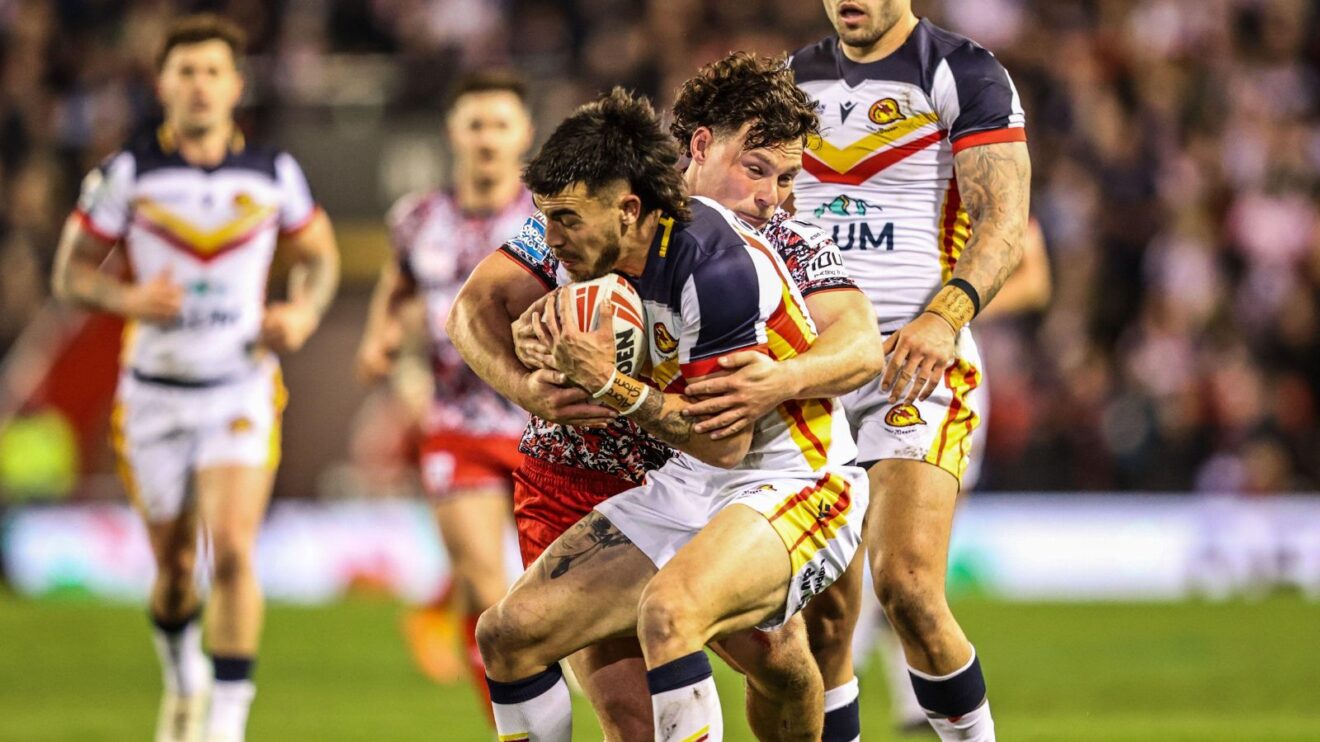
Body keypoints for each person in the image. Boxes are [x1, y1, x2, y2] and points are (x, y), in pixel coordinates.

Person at [449, 54, 884, 739]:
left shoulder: (738, 254)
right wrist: (531, 379)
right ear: (701, 148)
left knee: (762, 649)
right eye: (758, 167)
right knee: (509, 636)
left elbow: (855, 348)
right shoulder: (592, 209)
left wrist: (778, 378)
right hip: (612, 477)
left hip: (768, 474)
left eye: (788, 176)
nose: (774, 194)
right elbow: (474, 309)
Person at [49, 15, 340, 742]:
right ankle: (184, 678)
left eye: (213, 72)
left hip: (238, 385)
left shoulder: (274, 172)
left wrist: (301, 312)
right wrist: (125, 298)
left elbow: (322, 255)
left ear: (236, 86)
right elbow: (68, 272)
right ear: (162, 85)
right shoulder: (130, 173)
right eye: (186, 72)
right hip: (152, 391)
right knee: (176, 570)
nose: (200, 86)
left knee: (234, 550)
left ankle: (226, 726)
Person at [786, 2, 1031, 739]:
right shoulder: (790, 82)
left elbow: (1004, 220)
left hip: (916, 363)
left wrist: (945, 313)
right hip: (815, 366)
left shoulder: (964, 71)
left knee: (907, 584)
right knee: (824, 615)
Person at [354, 69, 534, 715]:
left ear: (524, 133)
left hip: (550, 426)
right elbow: (397, 283)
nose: (487, 138)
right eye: (475, 124)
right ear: (453, 132)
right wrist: (379, 337)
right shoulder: (416, 218)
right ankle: (517, 729)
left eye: (500, 124)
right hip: (457, 423)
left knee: (567, 601)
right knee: (490, 592)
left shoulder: (550, 218)